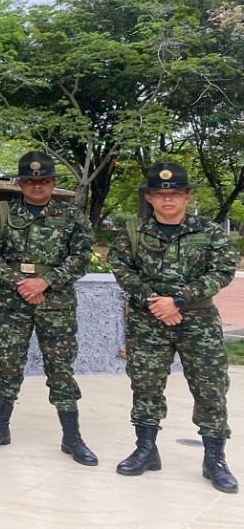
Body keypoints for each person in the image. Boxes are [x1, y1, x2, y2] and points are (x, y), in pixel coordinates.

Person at [109, 162, 237, 493]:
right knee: (146, 384)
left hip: (198, 321)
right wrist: (156, 301)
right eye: (160, 194)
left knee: (210, 388)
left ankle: (214, 460)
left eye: (176, 193)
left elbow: (222, 271)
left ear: (187, 196)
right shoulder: (133, 232)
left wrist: (178, 300)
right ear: (150, 197)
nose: (168, 199)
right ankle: (146, 450)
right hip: (148, 320)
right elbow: (121, 268)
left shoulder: (209, 232)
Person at [0, 152, 97, 465]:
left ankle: (72, 437)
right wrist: (19, 281)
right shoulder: (3, 214)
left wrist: (46, 281)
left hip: (55, 303)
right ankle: (0, 428)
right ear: (21, 183)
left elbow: (81, 257)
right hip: (13, 302)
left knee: (60, 369)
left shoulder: (72, 216)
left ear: (53, 182)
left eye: (43, 181)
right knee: (8, 367)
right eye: (30, 181)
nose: (37, 186)